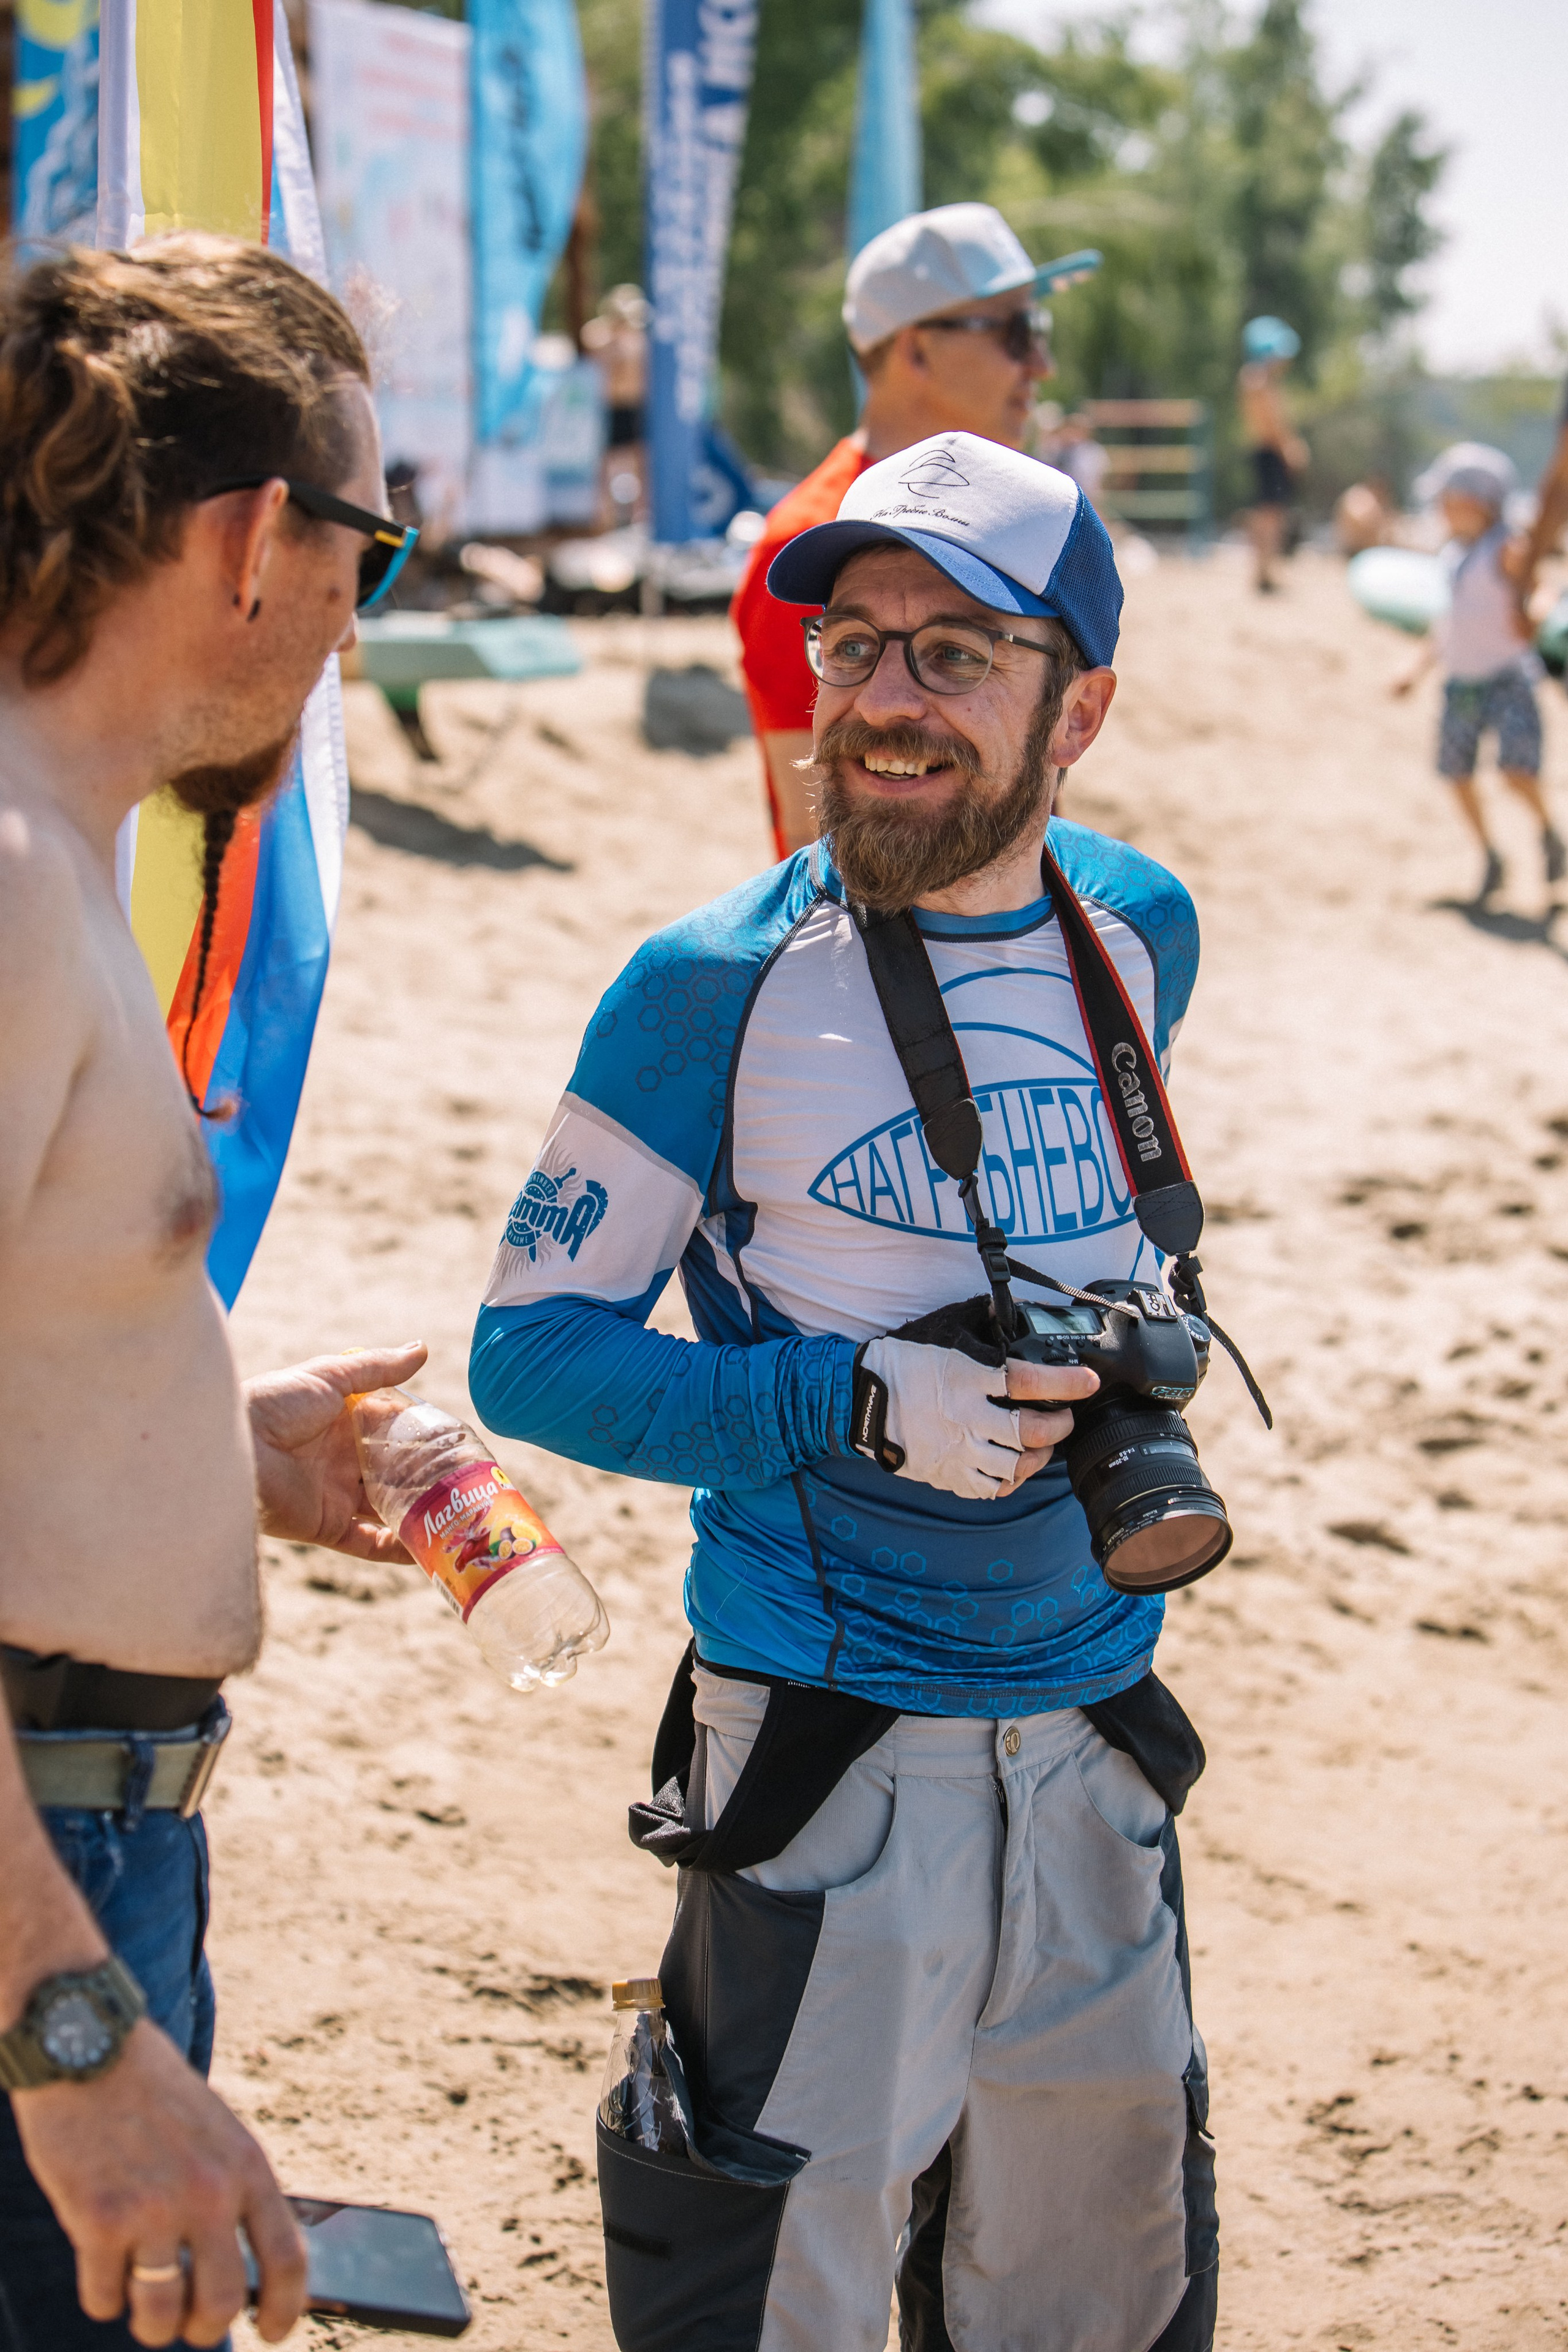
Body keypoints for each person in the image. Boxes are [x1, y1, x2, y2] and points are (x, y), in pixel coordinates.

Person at [473, 433, 1218, 2351]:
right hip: (822, 1749)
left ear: (1082, 711)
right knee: (780, 2295)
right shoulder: (705, 986)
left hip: (1090, 1732)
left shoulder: (1141, 929)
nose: (882, 699)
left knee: (1087, 2290)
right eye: (855, 645)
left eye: (954, 654)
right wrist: (848, 1399)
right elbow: (527, 1352)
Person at [0, 233, 429, 2351]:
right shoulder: (5, 880)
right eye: (379, 546)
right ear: (264, 535)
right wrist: (73, 2046)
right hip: (36, 1890)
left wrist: (210, 1461)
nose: (364, 611)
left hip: (90, 1843)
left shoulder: (56, 851)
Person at [732, 203, 1098, 861]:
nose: (1040, 363)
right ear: (916, 349)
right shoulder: (808, 540)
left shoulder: (1022, 514)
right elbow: (821, 845)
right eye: (1015, 331)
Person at [1391, 442, 1563, 899]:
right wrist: (1417, 667)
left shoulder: (1505, 548)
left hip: (1507, 677)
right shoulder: (1452, 556)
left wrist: (1536, 615)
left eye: (1446, 498)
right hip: (1461, 682)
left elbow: (1541, 591)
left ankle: (1548, 830)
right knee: (1456, 772)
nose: (1440, 509)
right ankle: (1490, 853)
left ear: (1474, 500)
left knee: (1516, 769)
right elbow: (1448, 623)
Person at [1237, 315, 1308, 594]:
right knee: (1270, 514)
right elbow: (1275, 425)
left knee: (1267, 513)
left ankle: (1264, 571)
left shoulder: (1254, 378)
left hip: (1264, 451)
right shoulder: (1259, 380)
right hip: (1269, 452)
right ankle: (1264, 572)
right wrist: (1291, 450)